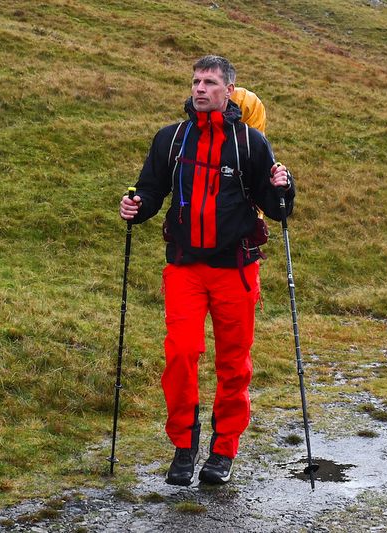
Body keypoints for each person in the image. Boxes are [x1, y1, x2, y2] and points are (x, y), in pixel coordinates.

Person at [118, 55, 295, 486]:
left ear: (229, 91)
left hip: (235, 269)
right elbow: (150, 189)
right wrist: (135, 206)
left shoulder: (251, 143)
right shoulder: (171, 139)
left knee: (234, 364)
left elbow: (276, 209)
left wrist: (283, 188)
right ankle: (183, 447)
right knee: (181, 354)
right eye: (196, 81)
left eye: (210, 82)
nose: (200, 89)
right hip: (184, 268)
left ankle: (223, 450)